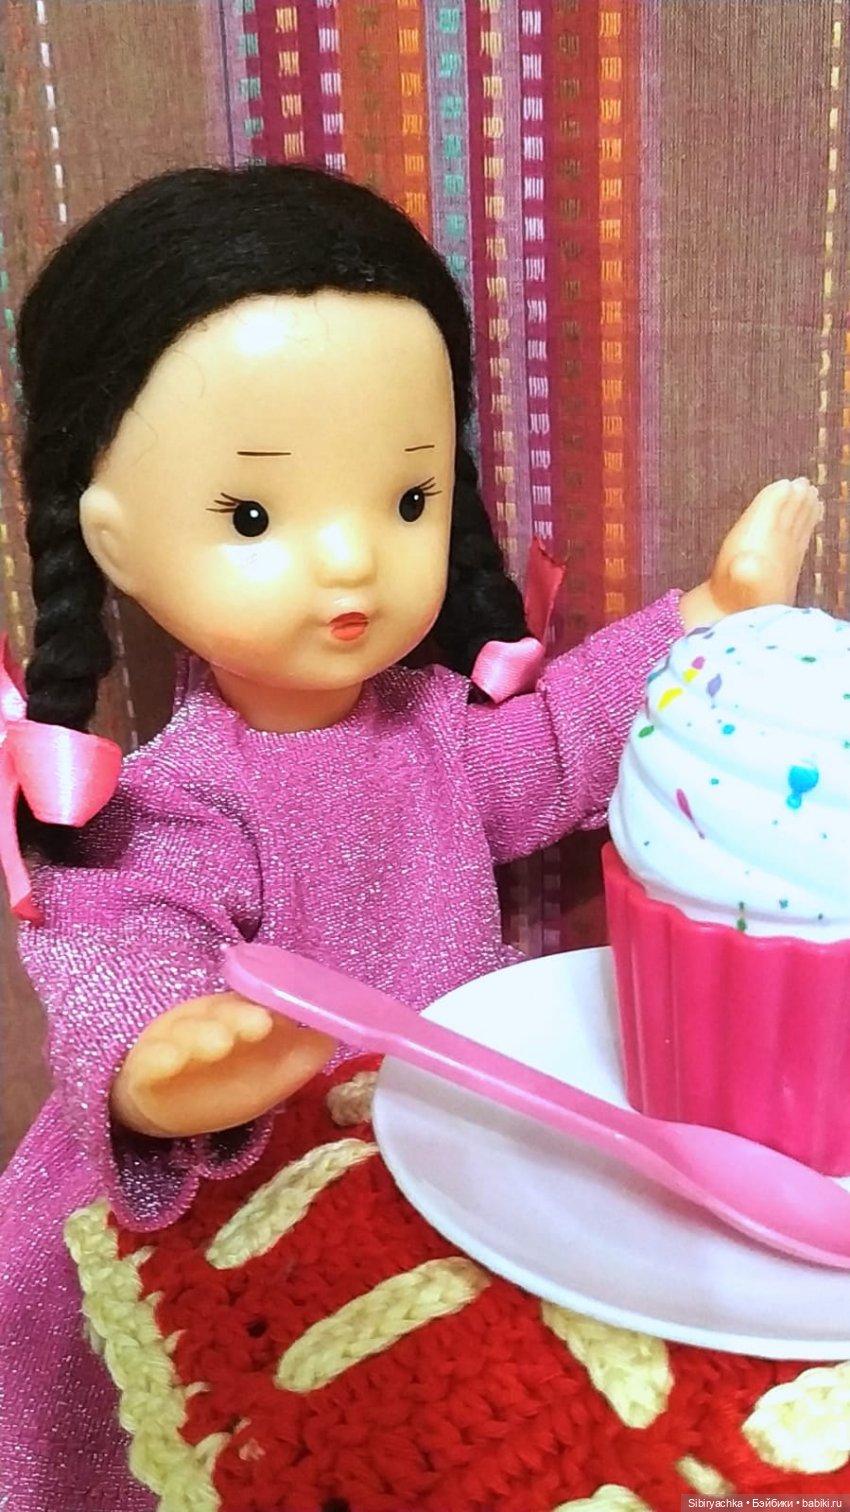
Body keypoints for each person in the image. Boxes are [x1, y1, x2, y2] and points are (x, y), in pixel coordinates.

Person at [0, 163, 820, 1511]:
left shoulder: (433, 731)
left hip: (448, 1148)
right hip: (262, 1169)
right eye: (254, 517)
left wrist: (706, 620)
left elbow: (555, 747)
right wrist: (161, 1058)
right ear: (115, 541)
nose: (351, 563)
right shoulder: (183, 797)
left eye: (405, 502)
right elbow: (123, 931)